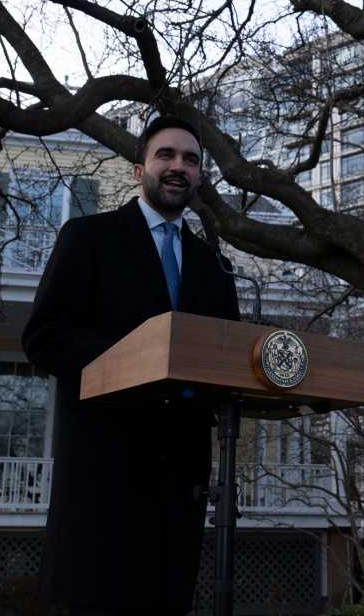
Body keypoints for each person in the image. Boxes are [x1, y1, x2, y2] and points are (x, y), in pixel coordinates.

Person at [23, 116, 240, 615]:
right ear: (138, 170)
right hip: (102, 473)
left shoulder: (215, 266)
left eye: (191, 160)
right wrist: (137, 359)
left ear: (199, 176)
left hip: (180, 483)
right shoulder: (88, 238)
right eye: (166, 155)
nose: (178, 166)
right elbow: (44, 337)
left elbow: (223, 363)